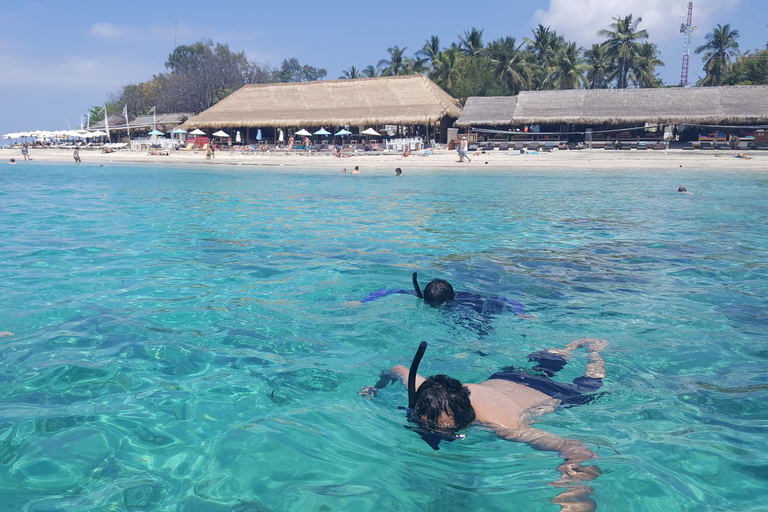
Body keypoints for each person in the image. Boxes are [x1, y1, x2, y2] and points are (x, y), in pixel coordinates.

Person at [360, 338, 608, 512]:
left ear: (467, 418)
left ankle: (595, 351)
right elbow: (398, 369)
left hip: (553, 393)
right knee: (545, 365)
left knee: (591, 384)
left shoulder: (503, 425)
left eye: (446, 431)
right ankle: (570, 346)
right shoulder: (429, 396)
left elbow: (577, 448)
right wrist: (376, 386)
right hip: (508, 376)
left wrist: (575, 488)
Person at [353, 273, 531, 335]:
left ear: (448, 301)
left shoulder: (469, 300)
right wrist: (362, 302)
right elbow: (391, 289)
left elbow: (506, 299)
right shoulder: (425, 295)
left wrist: (519, 312)